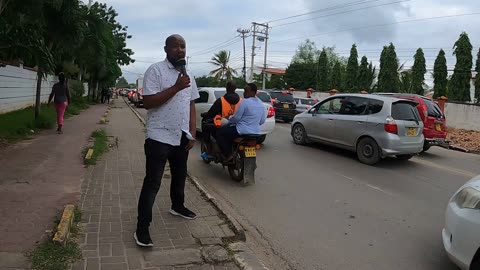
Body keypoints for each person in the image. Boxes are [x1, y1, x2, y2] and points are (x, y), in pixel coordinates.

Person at [135, 34, 199, 247]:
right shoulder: (155, 70)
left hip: (181, 135)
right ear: (166, 49)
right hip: (159, 136)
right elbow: (148, 103)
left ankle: (177, 206)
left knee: (180, 176)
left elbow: (190, 104)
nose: (180, 50)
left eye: (183, 46)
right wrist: (176, 87)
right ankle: (142, 228)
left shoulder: (189, 75)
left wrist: (192, 131)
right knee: (153, 183)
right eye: (176, 47)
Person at [216, 83, 266, 161]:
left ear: (253, 92)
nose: (244, 93)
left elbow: (236, 118)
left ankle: (228, 154)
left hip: (241, 131)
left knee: (220, 133)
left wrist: (229, 118)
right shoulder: (261, 104)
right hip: (256, 132)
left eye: (246, 91)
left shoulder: (245, 102)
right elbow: (262, 120)